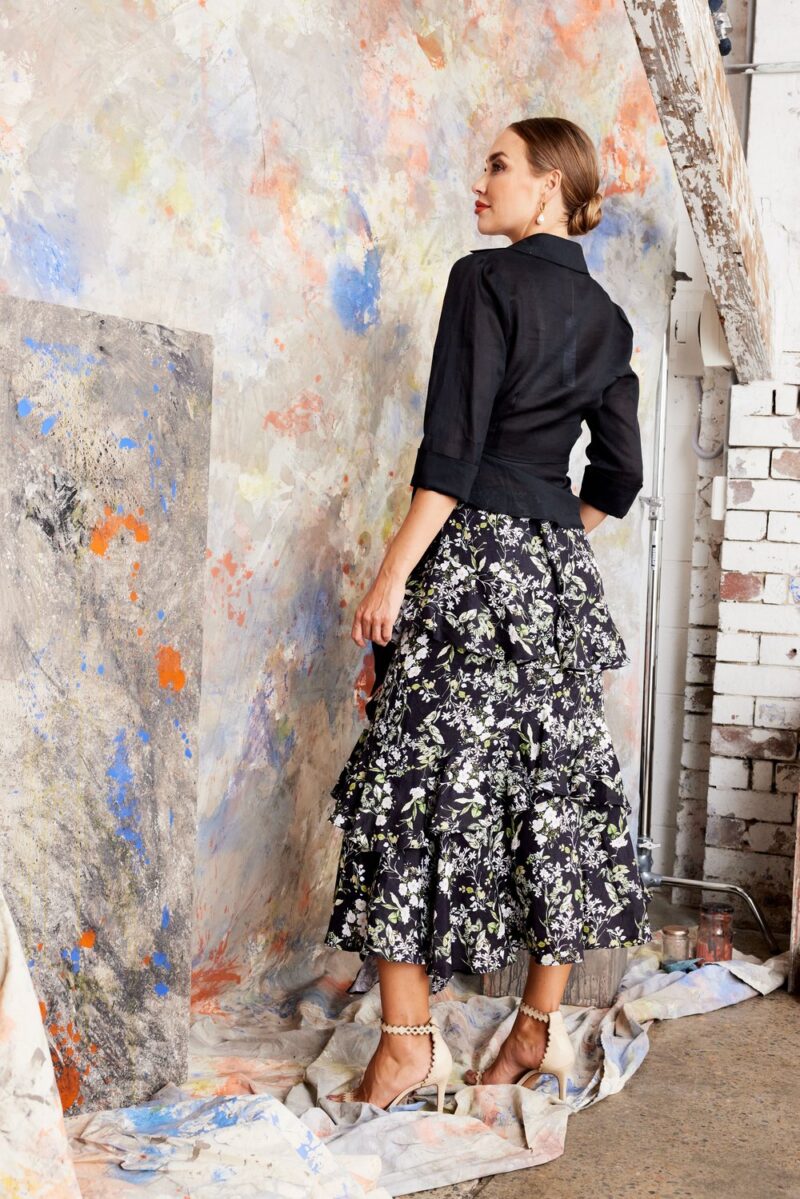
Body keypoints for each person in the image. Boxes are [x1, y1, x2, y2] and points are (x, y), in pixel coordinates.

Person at [323, 117, 653, 1110]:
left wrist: (391, 575)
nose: (482, 180)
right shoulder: (607, 317)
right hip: (552, 573)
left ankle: (405, 1044)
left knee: (410, 786)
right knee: (554, 797)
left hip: (469, 564)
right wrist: (550, 526)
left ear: (549, 185)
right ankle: (533, 1031)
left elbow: (453, 451)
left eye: (499, 165)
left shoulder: (485, 281)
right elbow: (619, 473)